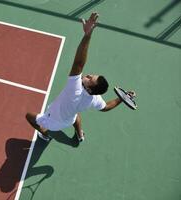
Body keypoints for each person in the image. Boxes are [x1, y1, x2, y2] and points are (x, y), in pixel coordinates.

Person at [26, 12, 136, 143]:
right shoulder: (94, 99)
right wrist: (121, 98)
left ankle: (44, 133)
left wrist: (87, 35)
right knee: (76, 116)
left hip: (54, 122)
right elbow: (106, 107)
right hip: (69, 119)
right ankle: (80, 134)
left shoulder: (75, 89)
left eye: (90, 79)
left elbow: (79, 63)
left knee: (29, 116)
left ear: (90, 89)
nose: (88, 75)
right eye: (92, 75)